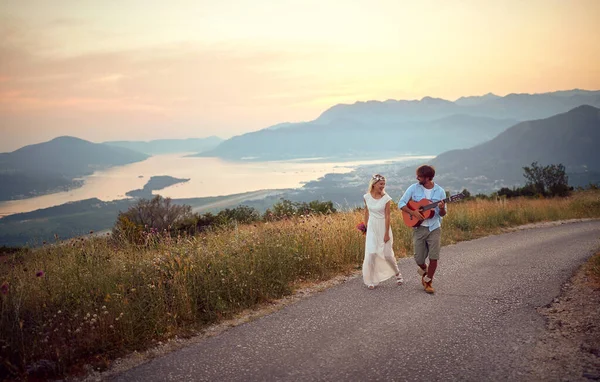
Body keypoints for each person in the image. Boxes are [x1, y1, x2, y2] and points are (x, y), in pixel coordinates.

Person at [398, 165, 446, 294]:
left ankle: (428, 282)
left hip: (434, 227)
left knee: (434, 257)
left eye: (419, 176)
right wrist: (413, 213)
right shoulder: (413, 188)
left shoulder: (440, 191)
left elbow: (442, 214)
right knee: (418, 259)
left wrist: (441, 208)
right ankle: (425, 270)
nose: (417, 177)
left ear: (428, 177)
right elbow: (401, 203)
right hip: (419, 228)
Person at [362, 174, 404, 289]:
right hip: (371, 228)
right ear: (374, 184)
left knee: (387, 254)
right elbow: (366, 212)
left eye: (384, 184)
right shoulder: (366, 197)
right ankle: (370, 279)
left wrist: (386, 233)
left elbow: (387, 216)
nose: (383, 186)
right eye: (381, 184)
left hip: (383, 227)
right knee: (371, 253)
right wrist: (365, 227)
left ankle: (397, 273)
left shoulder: (386, 198)